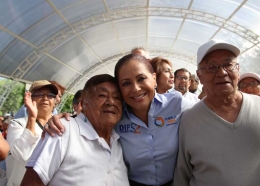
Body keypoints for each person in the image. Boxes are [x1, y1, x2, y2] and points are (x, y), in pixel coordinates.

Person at [46, 54, 195, 186]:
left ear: (154, 78)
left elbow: (206, 112)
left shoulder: (176, 104)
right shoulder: (115, 115)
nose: (136, 88)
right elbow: (91, 120)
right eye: (126, 83)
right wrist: (65, 119)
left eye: (141, 78)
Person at [174, 39, 260, 186]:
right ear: (199, 76)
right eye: (211, 67)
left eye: (228, 64)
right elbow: (182, 175)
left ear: (238, 69)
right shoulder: (189, 120)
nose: (222, 72)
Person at [21, 74, 129, 186]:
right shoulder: (62, 130)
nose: (111, 102)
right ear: (83, 104)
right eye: (102, 95)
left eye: (117, 97)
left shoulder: (120, 138)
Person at [6, 80, 58, 186]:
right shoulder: (17, 124)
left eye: (50, 95)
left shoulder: (62, 125)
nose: (45, 98)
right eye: (39, 94)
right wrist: (32, 118)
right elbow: (22, 154)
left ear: (55, 101)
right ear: (30, 98)